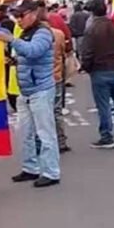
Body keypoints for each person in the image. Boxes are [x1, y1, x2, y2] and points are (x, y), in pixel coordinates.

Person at [0, 0, 60, 188]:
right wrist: (12, 61)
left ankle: (51, 171)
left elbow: (33, 52)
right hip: (26, 90)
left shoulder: (42, 33)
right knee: (25, 133)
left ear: (33, 14)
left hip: (41, 90)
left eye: (20, 16)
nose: (17, 20)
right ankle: (30, 167)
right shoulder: (25, 33)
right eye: (15, 16)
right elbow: (26, 57)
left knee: (45, 133)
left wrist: (11, 40)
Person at [81, 0, 114, 148]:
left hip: (99, 70)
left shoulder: (91, 30)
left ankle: (107, 137)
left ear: (92, 13)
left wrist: (86, 67)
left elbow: (87, 52)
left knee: (103, 106)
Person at [49, 24, 70, 153]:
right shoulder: (58, 34)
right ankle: (61, 141)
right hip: (56, 76)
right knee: (57, 111)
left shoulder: (30, 37)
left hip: (40, 81)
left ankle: (44, 141)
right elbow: (63, 54)